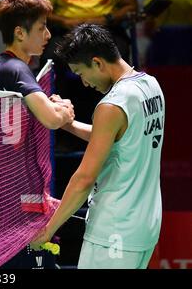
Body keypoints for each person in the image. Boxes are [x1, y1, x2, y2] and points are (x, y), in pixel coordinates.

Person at [33, 24, 165, 269]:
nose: (84, 83)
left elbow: (84, 179)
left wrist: (48, 229)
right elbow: (118, 137)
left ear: (98, 63)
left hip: (114, 233)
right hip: (144, 227)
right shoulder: (150, 86)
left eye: (81, 73)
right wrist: (68, 124)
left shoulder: (111, 105)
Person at [37, 0, 140, 151]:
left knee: (119, 54)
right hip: (67, 30)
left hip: (106, 28)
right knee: (50, 59)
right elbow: (41, 9)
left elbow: (130, 6)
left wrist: (104, 19)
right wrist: (64, 21)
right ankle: (60, 133)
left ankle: (116, 124)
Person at [0, 0, 74, 130]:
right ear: (20, 33)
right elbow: (53, 120)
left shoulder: (3, 64)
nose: (48, 35)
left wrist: (51, 105)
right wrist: (66, 111)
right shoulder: (16, 68)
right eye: (41, 28)